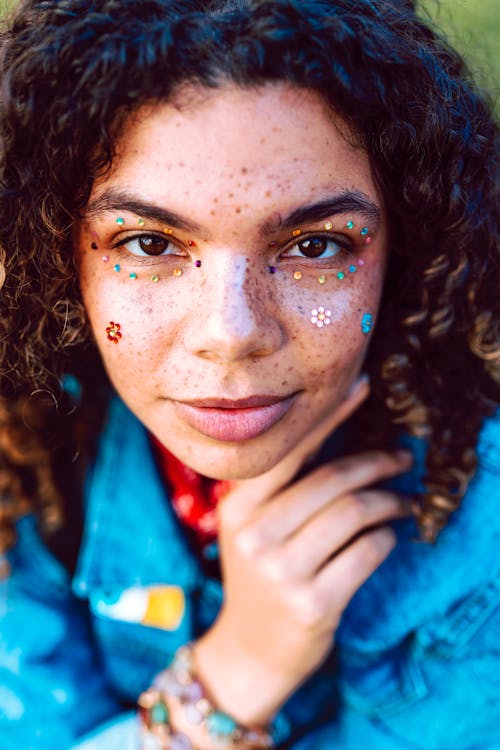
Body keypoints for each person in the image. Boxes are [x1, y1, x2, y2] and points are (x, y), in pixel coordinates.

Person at [0, 0, 498, 748]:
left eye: (318, 247)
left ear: (408, 249)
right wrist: (238, 670)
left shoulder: (477, 537)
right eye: (147, 242)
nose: (231, 335)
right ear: (59, 255)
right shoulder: (29, 447)